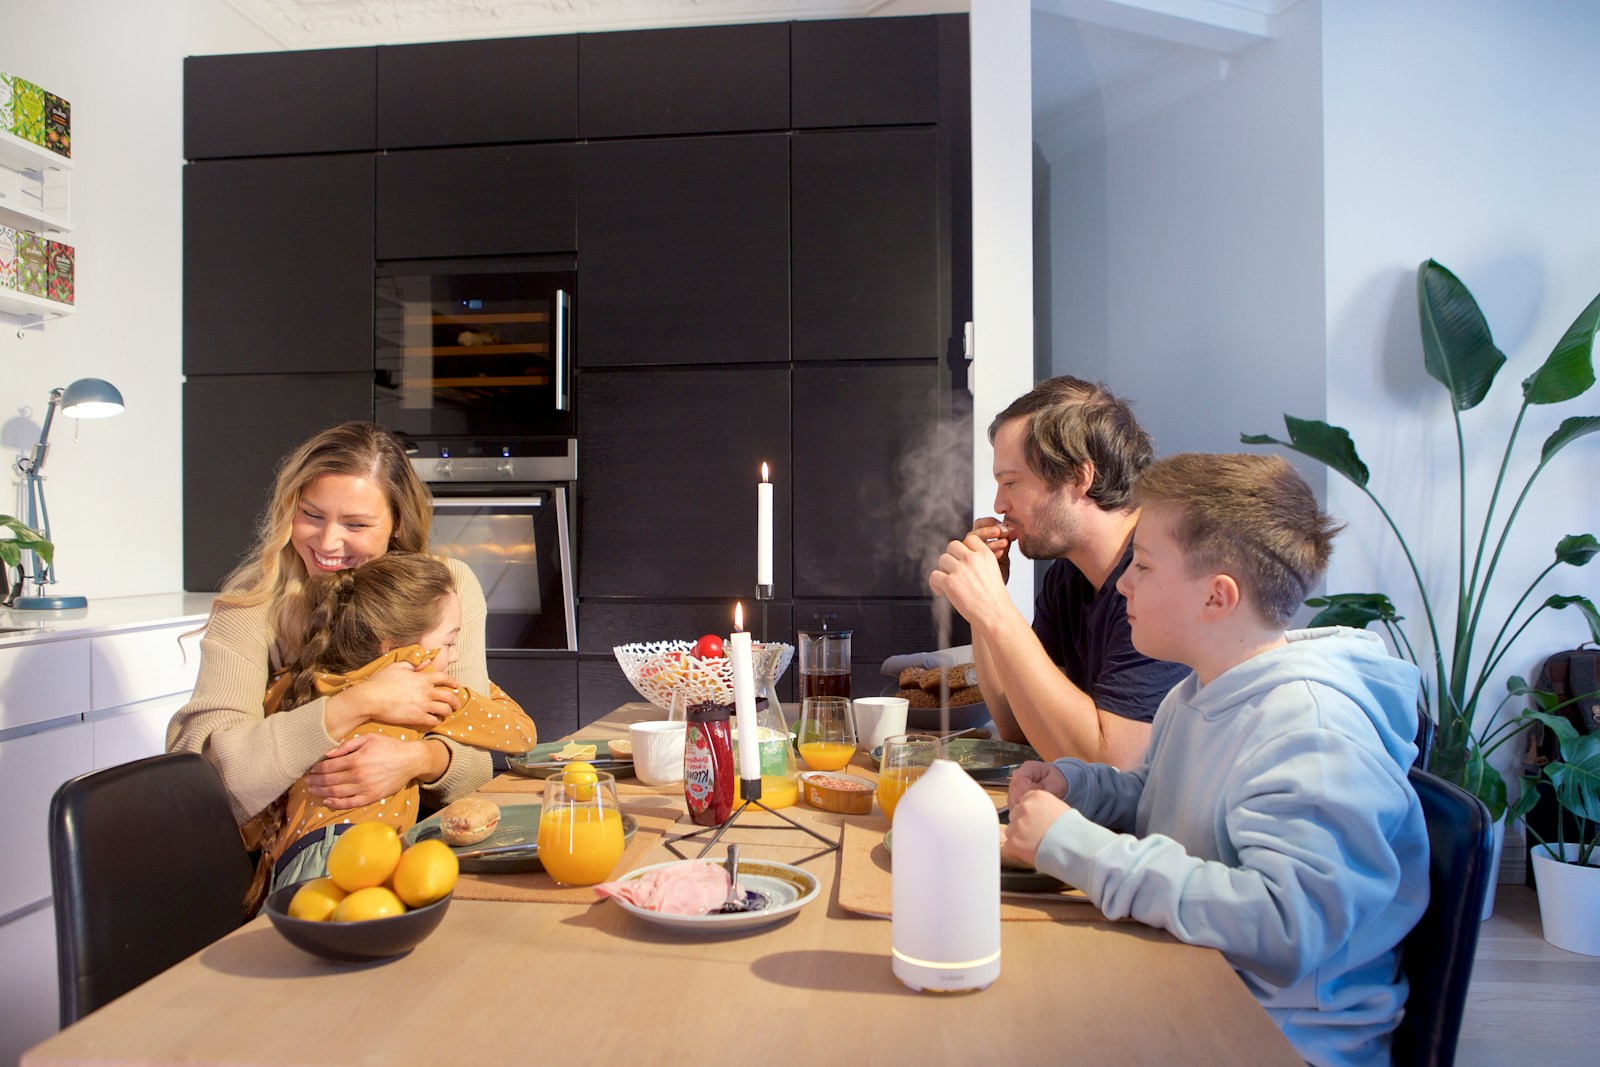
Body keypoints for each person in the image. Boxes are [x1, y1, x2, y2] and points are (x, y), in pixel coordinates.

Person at [1002, 452, 1427, 1067]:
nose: (1122, 584)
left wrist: (1082, 848)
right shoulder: (1200, 690)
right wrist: (1080, 788)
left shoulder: (1312, 731)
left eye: (1142, 566)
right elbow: (1159, 799)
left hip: (1277, 1038)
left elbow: (1286, 928)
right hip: (1191, 983)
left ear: (1217, 598)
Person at [168, 421, 498, 831]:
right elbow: (205, 777)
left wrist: (422, 761)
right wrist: (357, 703)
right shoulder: (252, 603)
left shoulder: (448, 587)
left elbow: (478, 761)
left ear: (397, 523)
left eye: (356, 525)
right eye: (311, 515)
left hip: (418, 845)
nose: (326, 543)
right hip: (288, 858)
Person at [242, 552, 538, 906]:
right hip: (363, 859)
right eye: (448, 643)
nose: (456, 657)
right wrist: (478, 690)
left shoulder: (300, 682)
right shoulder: (423, 690)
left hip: (290, 863)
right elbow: (522, 734)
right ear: (401, 652)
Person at [929, 376, 1188, 766]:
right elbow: (1020, 728)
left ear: (1078, 477)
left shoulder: (1160, 578)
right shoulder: (1069, 578)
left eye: (1012, 482)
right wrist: (980, 611)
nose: (999, 504)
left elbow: (1113, 765)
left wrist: (996, 610)